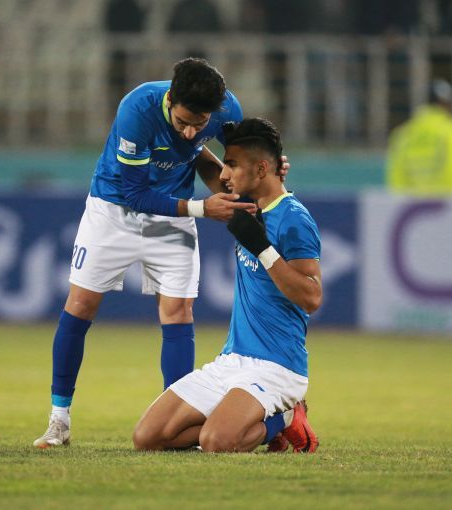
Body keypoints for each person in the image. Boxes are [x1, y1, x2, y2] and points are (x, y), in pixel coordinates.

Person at [33, 58, 290, 448]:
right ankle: (59, 420)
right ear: (170, 99)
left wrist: (267, 170)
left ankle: (177, 426)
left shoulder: (226, 110)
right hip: (114, 211)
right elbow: (136, 194)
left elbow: (235, 164)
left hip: (173, 217)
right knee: (81, 305)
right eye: (183, 122)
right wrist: (203, 208)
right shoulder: (137, 110)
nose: (190, 132)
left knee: (178, 311)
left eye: (199, 125)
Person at [132, 117, 321, 453]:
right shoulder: (243, 204)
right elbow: (205, 164)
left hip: (278, 366)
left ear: (261, 169)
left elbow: (311, 297)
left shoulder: (294, 218)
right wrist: (187, 134)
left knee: (216, 442)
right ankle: (237, 419)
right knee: (148, 438)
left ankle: (286, 417)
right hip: (232, 360)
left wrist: (262, 248)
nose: (224, 175)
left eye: (232, 165)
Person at [385, 78, 452, 196]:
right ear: (446, 104)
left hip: (411, 203)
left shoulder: (402, 134)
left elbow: (396, 178)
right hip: (444, 202)